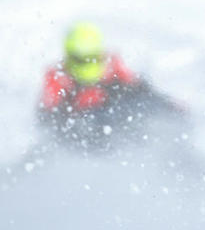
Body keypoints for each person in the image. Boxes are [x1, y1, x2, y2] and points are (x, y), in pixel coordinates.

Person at [37, 22, 181, 148]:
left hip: (119, 126)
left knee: (138, 99)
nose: (88, 63)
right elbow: (48, 121)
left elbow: (140, 90)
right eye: (81, 59)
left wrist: (169, 106)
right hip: (84, 136)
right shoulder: (58, 78)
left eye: (92, 58)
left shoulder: (112, 66)